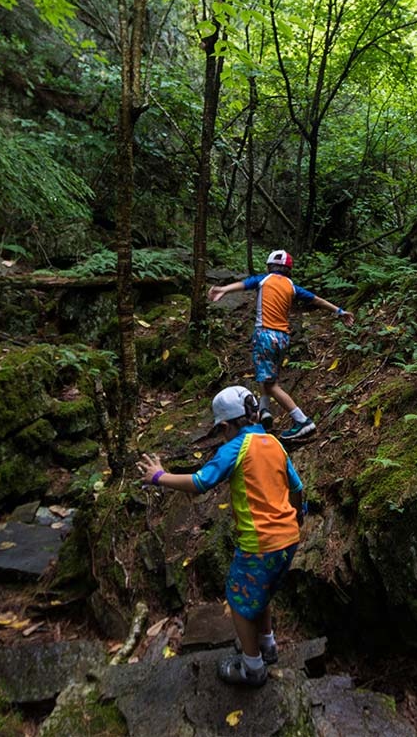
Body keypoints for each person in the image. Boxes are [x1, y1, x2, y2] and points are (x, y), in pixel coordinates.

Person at [136, 385, 305, 687]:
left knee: (238, 600)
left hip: (259, 543)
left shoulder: (234, 448)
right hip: (288, 538)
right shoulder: (274, 443)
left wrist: (159, 477)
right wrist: (299, 514)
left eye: (220, 430)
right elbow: (297, 487)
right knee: (261, 591)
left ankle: (252, 667)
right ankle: (266, 645)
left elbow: (201, 481)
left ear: (225, 426)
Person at [208, 249, 355, 440]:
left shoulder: (263, 280)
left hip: (265, 335)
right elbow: (316, 299)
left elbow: (244, 284)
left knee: (270, 385)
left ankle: (302, 421)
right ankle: (264, 410)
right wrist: (339, 311)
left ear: (270, 266)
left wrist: (223, 289)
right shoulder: (292, 286)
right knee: (266, 375)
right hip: (283, 338)